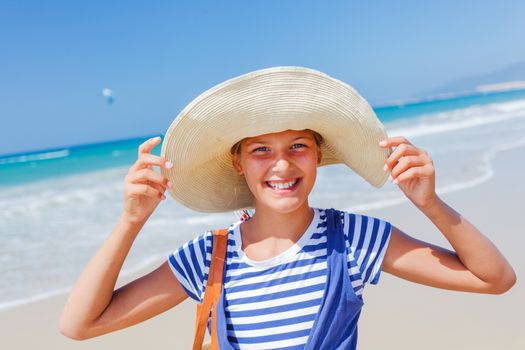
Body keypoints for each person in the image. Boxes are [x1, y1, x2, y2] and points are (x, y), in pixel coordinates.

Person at [59, 67, 516, 349]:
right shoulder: (208, 258)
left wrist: (429, 203)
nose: (281, 163)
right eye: (260, 150)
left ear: (318, 154)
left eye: (298, 145)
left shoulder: (354, 238)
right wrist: (131, 220)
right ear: (237, 164)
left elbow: (495, 279)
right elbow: (80, 325)